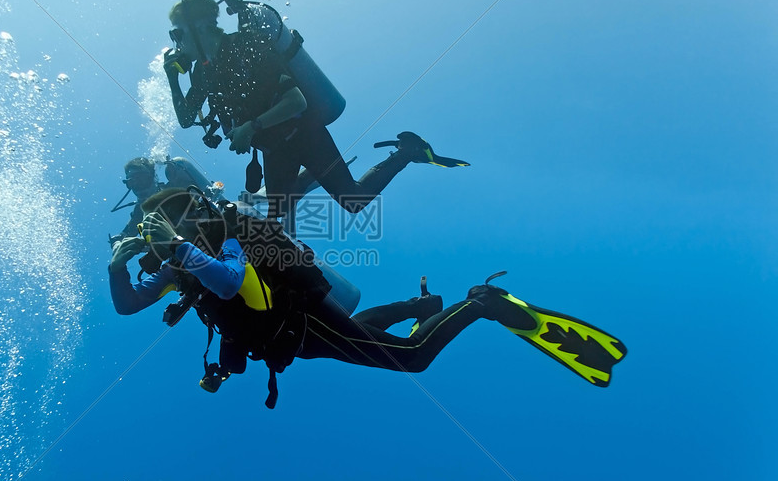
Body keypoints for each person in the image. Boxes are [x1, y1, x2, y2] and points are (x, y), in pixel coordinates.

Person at [108, 189, 626, 407]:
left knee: (413, 357)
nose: (157, 244)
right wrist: (116, 268)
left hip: (302, 320)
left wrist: (176, 246)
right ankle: (421, 306)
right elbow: (128, 304)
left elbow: (228, 281)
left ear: (182, 220)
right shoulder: (178, 270)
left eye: (163, 227)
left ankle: (482, 301)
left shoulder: (220, 236)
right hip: (293, 340)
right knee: (365, 335)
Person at [163, 0, 449, 234]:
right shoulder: (202, 73)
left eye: (178, 33)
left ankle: (408, 151)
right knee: (277, 218)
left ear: (200, 27)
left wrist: (250, 128)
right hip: (274, 149)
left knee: (353, 201)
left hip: (305, 134)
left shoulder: (246, 46)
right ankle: (306, 181)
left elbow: (296, 101)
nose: (177, 42)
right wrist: (172, 77)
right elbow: (186, 119)